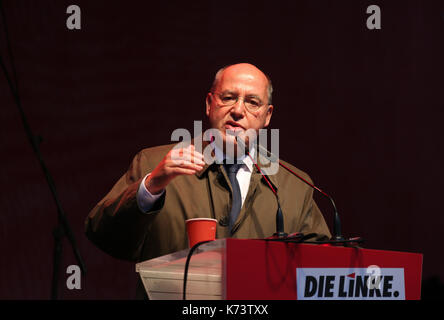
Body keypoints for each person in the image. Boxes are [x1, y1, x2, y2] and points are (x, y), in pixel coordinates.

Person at [85, 63, 331, 298]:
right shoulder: (154, 163)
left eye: (252, 102)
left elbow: (323, 271)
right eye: (228, 97)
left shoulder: (295, 186)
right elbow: (104, 236)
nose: (237, 110)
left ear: (267, 116)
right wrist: (151, 187)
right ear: (209, 103)